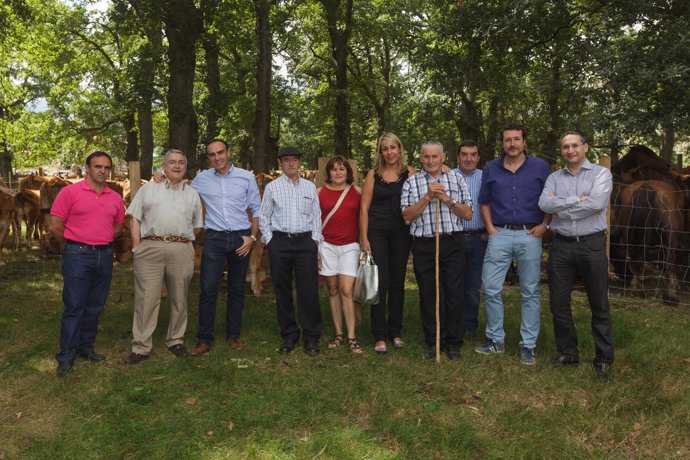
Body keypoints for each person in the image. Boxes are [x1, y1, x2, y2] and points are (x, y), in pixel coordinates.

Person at [538, 131, 614, 380]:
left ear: (585, 147)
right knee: (558, 304)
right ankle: (568, 353)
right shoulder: (553, 177)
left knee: (599, 304)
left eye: (575, 146)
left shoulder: (601, 174)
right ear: (561, 151)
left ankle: (603, 359)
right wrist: (576, 200)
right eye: (565, 147)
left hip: (591, 245)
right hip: (561, 246)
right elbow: (544, 205)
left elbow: (596, 204)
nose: (570, 150)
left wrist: (563, 205)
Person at [475, 124, 551, 365]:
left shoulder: (540, 167)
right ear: (503, 143)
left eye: (517, 139)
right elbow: (484, 201)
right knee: (490, 288)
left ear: (524, 142)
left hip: (530, 234)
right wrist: (490, 229)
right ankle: (496, 340)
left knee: (530, 291)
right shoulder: (491, 168)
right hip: (501, 234)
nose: (512, 144)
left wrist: (544, 225)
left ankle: (528, 345)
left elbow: (551, 200)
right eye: (508, 140)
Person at [49, 151, 125, 376]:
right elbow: (55, 224)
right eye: (98, 166)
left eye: (107, 167)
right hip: (77, 255)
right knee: (74, 304)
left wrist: (100, 239)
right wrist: (75, 242)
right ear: (87, 168)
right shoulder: (70, 192)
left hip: (104, 256)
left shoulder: (115, 197)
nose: (103, 171)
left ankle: (85, 348)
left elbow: (118, 226)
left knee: (95, 305)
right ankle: (66, 355)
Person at [124, 149, 204, 364]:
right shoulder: (149, 188)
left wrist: (181, 240)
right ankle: (141, 346)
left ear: (185, 167)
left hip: (181, 249)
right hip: (150, 247)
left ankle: (176, 339)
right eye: (171, 162)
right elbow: (134, 219)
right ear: (164, 166)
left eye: (181, 162)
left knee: (180, 297)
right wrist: (137, 248)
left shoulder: (192, 194)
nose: (176, 166)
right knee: (146, 299)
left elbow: (196, 227)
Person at [188, 139, 262, 356]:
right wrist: (160, 179)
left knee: (236, 290)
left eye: (220, 152)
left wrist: (252, 237)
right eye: (212, 154)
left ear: (228, 152)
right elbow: (182, 195)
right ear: (208, 158)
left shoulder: (246, 177)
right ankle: (204, 339)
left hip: (241, 239)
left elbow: (257, 210)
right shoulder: (201, 179)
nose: (217, 157)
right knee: (208, 289)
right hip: (214, 239)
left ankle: (233, 335)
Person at [401, 141, 473, 360]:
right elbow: (406, 217)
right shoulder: (412, 183)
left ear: (443, 158)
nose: (430, 161)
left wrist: (447, 199)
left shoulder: (456, 178)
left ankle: (453, 343)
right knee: (428, 294)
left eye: (435, 156)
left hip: (452, 242)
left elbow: (468, 213)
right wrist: (428, 196)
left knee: (454, 292)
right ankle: (433, 342)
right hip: (424, 244)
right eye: (426, 157)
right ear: (421, 158)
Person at [259, 146, 323, 356]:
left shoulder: (309, 187)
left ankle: (311, 337)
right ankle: (289, 334)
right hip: (281, 243)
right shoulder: (272, 188)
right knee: (282, 289)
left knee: (309, 291)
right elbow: (264, 218)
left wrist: (314, 241)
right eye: (286, 160)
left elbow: (316, 216)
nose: (290, 164)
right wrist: (271, 242)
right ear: (281, 163)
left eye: (294, 160)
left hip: (305, 243)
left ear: (299, 162)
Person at [360, 133, 416, 354]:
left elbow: (433, 177)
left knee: (397, 282)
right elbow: (364, 209)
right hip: (377, 233)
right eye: (385, 149)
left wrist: (449, 169)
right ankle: (379, 334)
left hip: (402, 233)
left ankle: (395, 330)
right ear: (380, 152)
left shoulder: (410, 173)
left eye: (393, 147)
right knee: (379, 282)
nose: (389, 152)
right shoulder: (373, 175)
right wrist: (363, 238)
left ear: (399, 149)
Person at [318, 156, 363, 354]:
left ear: (348, 172)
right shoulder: (319, 192)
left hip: (350, 246)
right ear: (328, 172)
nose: (338, 172)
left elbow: (365, 217)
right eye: (334, 169)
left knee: (347, 290)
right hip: (326, 245)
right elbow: (313, 220)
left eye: (342, 169)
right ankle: (338, 333)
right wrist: (316, 247)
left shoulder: (357, 192)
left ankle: (352, 336)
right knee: (333, 289)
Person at [454, 140, 487, 342]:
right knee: (453, 285)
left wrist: (488, 232)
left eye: (473, 154)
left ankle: (470, 328)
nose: (468, 158)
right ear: (458, 157)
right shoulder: (449, 176)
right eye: (464, 154)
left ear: (478, 157)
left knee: (473, 287)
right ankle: (453, 325)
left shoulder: (485, 177)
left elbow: (495, 204)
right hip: (455, 238)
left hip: (479, 238)